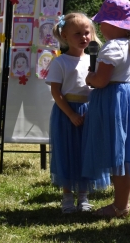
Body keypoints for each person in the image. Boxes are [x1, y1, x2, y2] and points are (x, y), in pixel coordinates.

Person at [81, 0, 130, 218]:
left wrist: (90, 78)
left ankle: (120, 206)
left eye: (103, 22)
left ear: (114, 24)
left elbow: (102, 80)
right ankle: (122, 203)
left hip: (114, 99)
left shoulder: (113, 47)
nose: (100, 27)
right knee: (126, 153)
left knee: (118, 152)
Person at [45, 12, 108, 214]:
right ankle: (67, 198)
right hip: (67, 113)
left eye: (86, 32)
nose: (83, 37)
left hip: (89, 112)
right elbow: (56, 92)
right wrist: (71, 114)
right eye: (77, 34)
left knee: (85, 154)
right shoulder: (60, 62)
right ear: (64, 36)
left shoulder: (95, 59)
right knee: (67, 153)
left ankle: (83, 196)